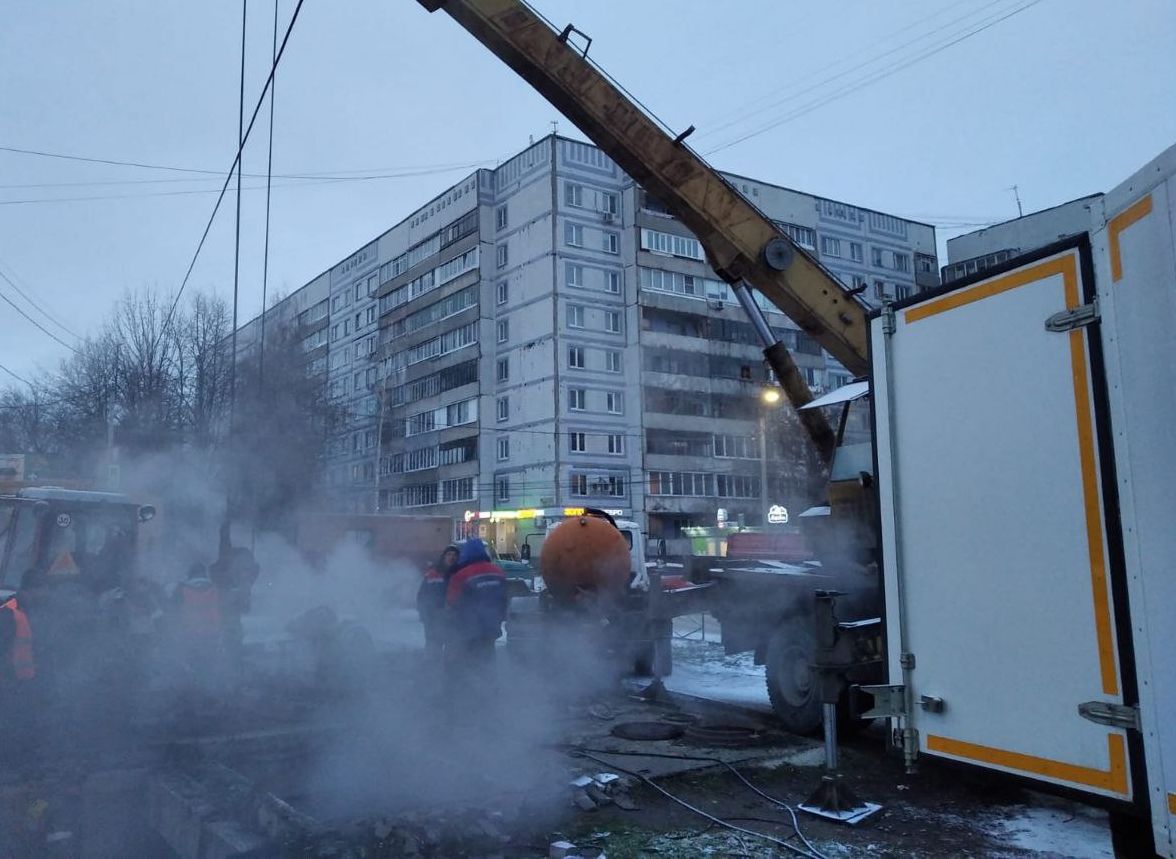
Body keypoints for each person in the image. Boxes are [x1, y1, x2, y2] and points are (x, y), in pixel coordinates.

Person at [443, 538, 507, 682]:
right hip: (491, 628)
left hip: (469, 629)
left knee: (468, 664)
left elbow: (452, 603)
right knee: (488, 660)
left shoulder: (461, 575)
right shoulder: (499, 573)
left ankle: (470, 694)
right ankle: (490, 689)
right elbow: (504, 600)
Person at [417, 544, 458, 660]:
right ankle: (431, 673)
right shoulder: (432, 573)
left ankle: (448, 674)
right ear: (443, 557)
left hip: (452, 619)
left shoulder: (460, 574)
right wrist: (423, 614)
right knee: (433, 649)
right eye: (449, 554)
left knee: (452, 651)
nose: (452, 557)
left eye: (455, 555)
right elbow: (422, 595)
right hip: (433, 618)